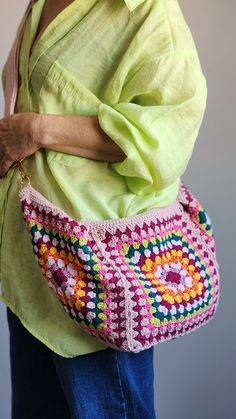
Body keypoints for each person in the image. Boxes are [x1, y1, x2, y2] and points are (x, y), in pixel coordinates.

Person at [0, 0, 207, 418]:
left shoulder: (148, 10)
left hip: (100, 274)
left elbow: (169, 136)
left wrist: (38, 130)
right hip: (31, 263)